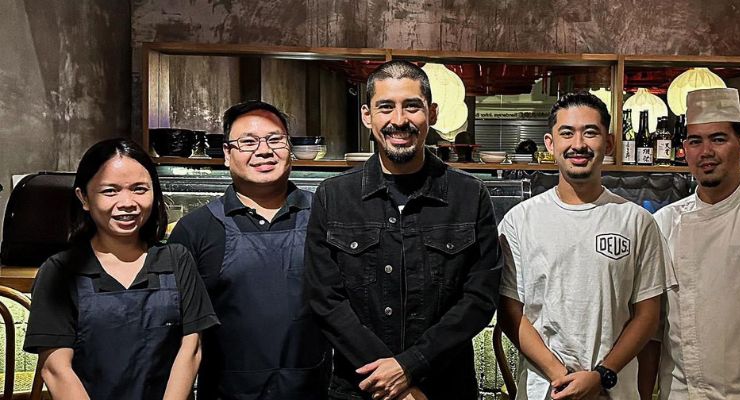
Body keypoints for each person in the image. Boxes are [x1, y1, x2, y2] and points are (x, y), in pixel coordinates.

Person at [304, 60, 502, 400]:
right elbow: (325, 300)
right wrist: (391, 375)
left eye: (412, 107)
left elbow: (480, 297)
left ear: (433, 113)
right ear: (367, 116)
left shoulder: (470, 195)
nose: (399, 121)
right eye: (386, 107)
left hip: (446, 387)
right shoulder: (333, 196)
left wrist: (411, 365)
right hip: (361, 388)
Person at [497, 92, 669, 399]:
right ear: (550, 144)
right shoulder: (520, 220)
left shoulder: (637, 221)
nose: (578, 144)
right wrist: (559, 375)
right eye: (567, 133)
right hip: (544, 390)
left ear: (610, 143)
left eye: (590, 132)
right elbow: (511, 311)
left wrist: (601, 375)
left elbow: (647, 315)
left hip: (614, 389)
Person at [24, 138, 218, 399]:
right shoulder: (60, 270)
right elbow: (56, 369)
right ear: (84, 197)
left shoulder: (176, 259)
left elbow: (191, 348)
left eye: (139, 189)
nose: (127, 202)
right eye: (110, 191)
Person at [169, 100, 331, 399]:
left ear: (289, 149)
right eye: (248, 142)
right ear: (227, 155)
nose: (264, 151)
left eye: (274, 140)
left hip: (315, 391)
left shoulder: (326, 217)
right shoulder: (196, 230)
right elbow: (180, 334)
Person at [649, 88, 740, 399]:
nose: (706, 151)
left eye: (718, 139)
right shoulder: (663, 224)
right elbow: (652, 332)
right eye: (695, 141)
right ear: (685, 150)